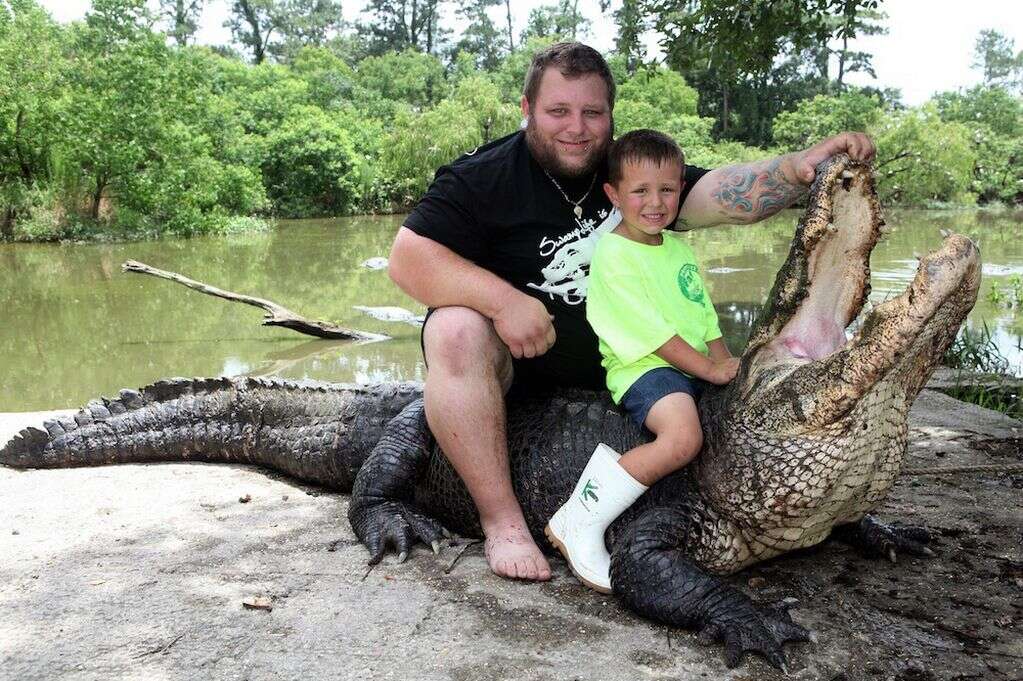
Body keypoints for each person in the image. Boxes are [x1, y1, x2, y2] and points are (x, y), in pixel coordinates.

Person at [388, 41, 875, 583]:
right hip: (520, 374)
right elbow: (408, 260)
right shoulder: (482, 178)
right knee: (454, 329)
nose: (577, 127)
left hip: (633, 374)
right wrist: (504, 302)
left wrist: (797, 168)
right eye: (558, 111)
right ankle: (503, 525)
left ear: (610, 116)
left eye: (592, 112)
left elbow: (718, 193)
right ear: (526, 110)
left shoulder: (631, 173)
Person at [545, 129, 738, 593]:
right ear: (613, 195)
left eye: (668, 189)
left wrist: (726, 361)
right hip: (644, 366)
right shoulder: (612, 253)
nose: (656, 202)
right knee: (683, 438)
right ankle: (580, 519)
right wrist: (709, 370)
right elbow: (654, 334)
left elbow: (702, 314)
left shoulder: (676, 248)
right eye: (641, 191)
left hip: (685, 363)